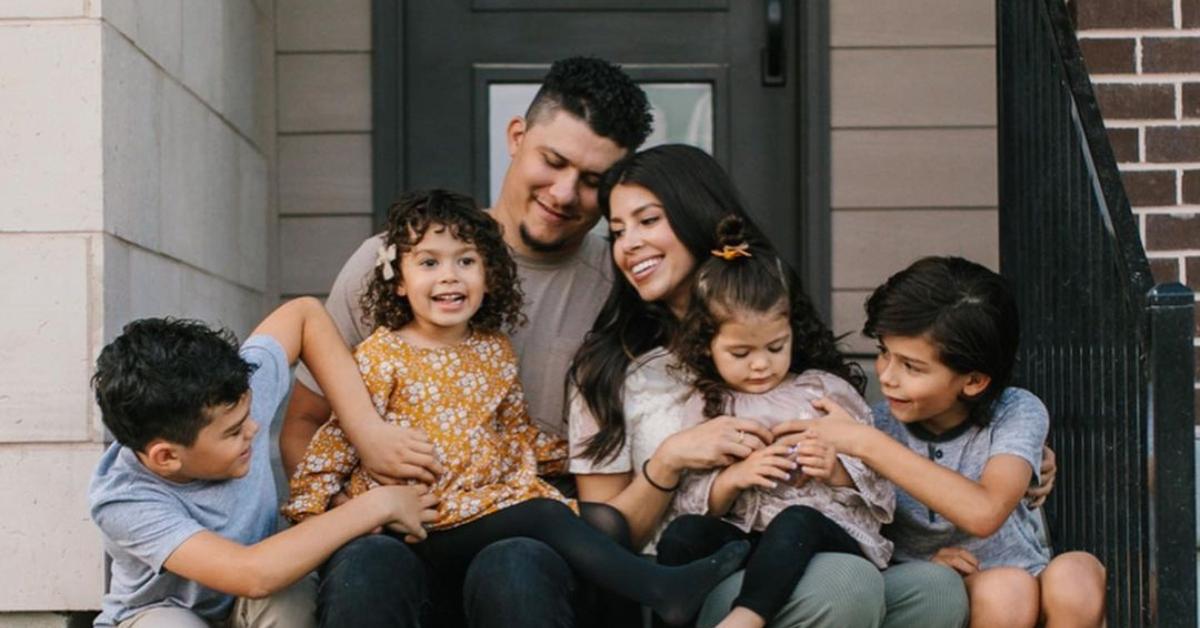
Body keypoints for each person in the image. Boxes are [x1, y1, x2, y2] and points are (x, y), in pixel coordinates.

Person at [277, 56, 653, 628]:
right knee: (371, 564)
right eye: (552, 162)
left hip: (521, 536)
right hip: (394, 531)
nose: (564, 192)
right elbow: (305, 427)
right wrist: (354, 514)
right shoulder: (395, 263)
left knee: (517, 565)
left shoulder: (620, 287)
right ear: (517, 137)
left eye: (594, 181)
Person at [283, 189, 750, 625]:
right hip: (416, 523)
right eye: (428, 262)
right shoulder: (382, 356)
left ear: (489, 274)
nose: (449, 276)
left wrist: (586, 453)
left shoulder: (494, 351)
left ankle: (644, 604)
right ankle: (660, 589)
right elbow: (336, 445)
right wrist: (338, 509)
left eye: (466, 261)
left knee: (600, 519)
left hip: (480, 512)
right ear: (399, 281)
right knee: (542, 515)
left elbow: (517, 436)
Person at [567, 143, 971, 628]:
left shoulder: (782, 344)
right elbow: (602, 541)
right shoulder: (609, 370)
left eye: (648, 220)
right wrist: (671, 459)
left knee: (937, 591)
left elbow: (869, 454)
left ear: (697, 215)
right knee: (844, 583)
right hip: (693, 572)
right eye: (616, 231)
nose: (628, 243)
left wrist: (1014, 441)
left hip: (809, 546)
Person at [790, 256, 1107, 627]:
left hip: (1026, 574)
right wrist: (919, 568)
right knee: (1005, 590)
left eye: (912, 366)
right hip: (950, 591)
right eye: (883, 352)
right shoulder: (871, 424)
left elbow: (985, 511)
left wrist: (866, 443)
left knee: (1078, 572)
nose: (888, 376)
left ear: (973, 381)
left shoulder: (1014, 411)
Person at [87, 299, 439, 628]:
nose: (254, 430)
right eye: (235, 432)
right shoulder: (124, 500)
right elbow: (251, 574)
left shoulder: (226, 404)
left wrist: (367, 430)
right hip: (161, 614)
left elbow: (304, 314)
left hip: (249, 606)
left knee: (289, 594)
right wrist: (377, 505)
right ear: (166, 457)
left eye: (248, 415)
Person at [652, 215, 895, 628]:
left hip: (826, 532)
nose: (762, 364)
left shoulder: (824, 391)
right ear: (707, 345)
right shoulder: (707, 405)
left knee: (794, 520)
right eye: (741, 354)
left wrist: (837, 470)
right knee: (684, 534)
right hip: (750, 539)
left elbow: (886, 482)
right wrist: (734, 478)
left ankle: (748, 617)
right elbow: (687, 499)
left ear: (792, 331)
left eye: (775, 346)